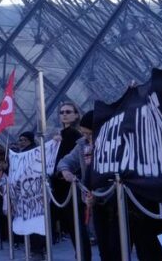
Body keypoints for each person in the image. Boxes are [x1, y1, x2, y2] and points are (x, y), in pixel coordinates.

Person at [58, 112, 106, 261]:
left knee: (112, 245)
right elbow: (65, 161)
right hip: (91, 197)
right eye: (84, 133)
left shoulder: (109, 143)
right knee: (103, 245)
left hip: (109, 198)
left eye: (90, 134)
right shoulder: (82, 144)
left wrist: (99, 194)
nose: (87, 137)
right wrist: (65, 170)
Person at [51, 102, 82, 248]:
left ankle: (81, 254)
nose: (64, 114)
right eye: (62, 112)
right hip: (61, 183)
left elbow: (72, 159)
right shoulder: (61, 134)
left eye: (68, 112)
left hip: (69, 183)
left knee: (74, 224)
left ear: (76, 115)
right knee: (71, 224)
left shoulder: (74, 134)